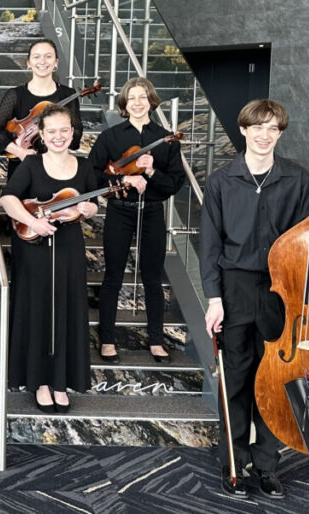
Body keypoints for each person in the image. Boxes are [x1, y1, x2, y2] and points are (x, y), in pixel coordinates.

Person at [200, 99, 309, 499]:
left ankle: (266, 464)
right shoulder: (221, 181)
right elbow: (209, 246)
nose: (265, 135)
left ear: (280, 134)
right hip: (234, 289)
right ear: (243, 130)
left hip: (282, 291)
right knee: (236, 380)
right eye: (257, 127)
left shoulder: (298, 179)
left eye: (273, 129)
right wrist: (214, 298)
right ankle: (234, 463)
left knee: (274, 382)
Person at [0, 105, 98, 412]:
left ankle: (61, 381)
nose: (58, 137)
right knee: (38, 310)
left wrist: (90, 209)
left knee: (66, 308)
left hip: (69, 247)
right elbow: (7, 198)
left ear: (72, 133)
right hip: (35, 248)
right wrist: (32, 223)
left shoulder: (83, 167)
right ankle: (40, 381)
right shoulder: (31, 164)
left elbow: (92, 203)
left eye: (64, 131)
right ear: (41, 134)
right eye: (51, 131)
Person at [88, 77, 184, 364]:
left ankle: (156, 341)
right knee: (113, 277)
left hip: (152, 212)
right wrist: (123, 178)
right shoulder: (111, 137)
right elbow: (92, 174)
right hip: (120, 211)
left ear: (151, 101)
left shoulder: (165, 138)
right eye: (132, 98)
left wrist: (152, 172)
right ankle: (107, 340)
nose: (138, 103)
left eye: (143, 97)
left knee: (153, 279)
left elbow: (174, 184)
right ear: (124, 104)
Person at [0, 39, 83, 179]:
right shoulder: (15, 95)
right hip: (23, 168)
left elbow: (76, 137)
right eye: (36, 57)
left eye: (48, 56)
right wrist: (19, 152)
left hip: (58, 168)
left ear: (56, 62)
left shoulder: (68, 94)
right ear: (28, 63)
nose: (42, 61)